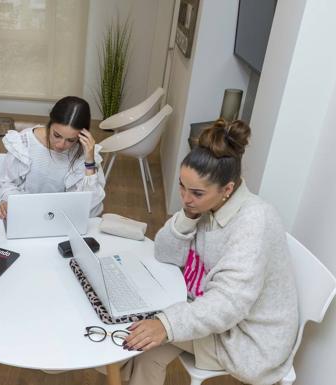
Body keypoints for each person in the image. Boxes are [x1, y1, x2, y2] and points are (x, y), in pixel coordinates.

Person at [118, 119, 298, 385]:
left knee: (141, 337)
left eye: (196, 193)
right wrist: (187, 217)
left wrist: (167, 324)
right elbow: (165, 252)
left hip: (248, 340)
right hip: (217, 317)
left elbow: (228, 303)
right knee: (139, 344)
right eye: (182, 186)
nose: (185, 198)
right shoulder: (206, 207)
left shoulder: (254, 222)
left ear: (227, 190)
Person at [0, 96, 106, 218]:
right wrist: (9, 201)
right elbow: (7, 183)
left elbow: (90, 208)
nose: (61, 145)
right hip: (26, 214)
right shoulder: (24, 143)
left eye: (71, 140)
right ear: (50, 123)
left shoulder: (85, 153)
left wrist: (89, 162)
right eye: (56, 135)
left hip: (64, 219)